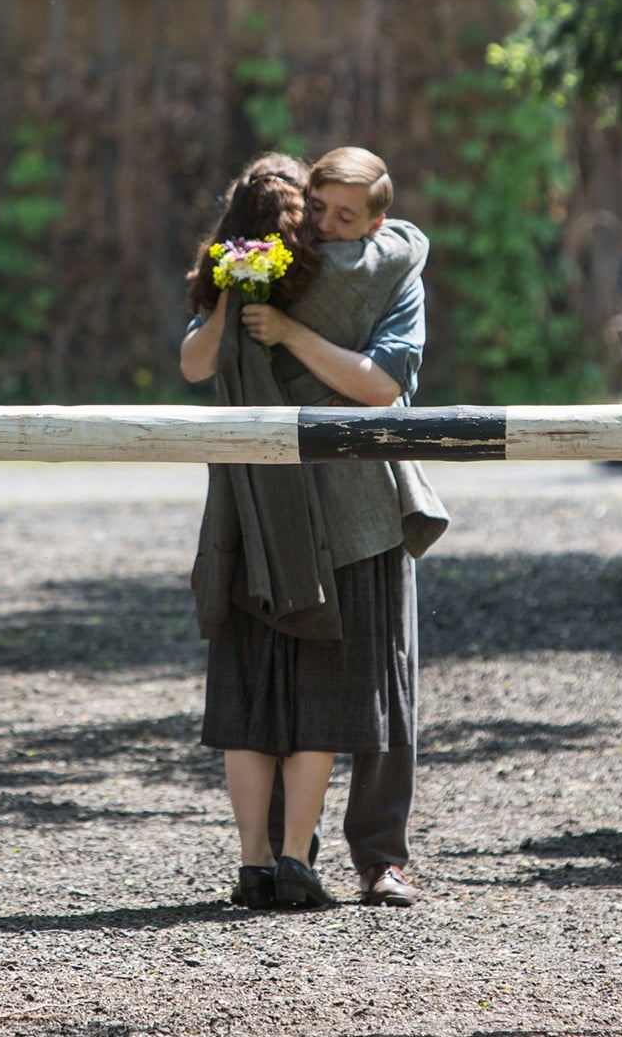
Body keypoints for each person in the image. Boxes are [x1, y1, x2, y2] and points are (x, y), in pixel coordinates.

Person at [181, 147, 447, 909]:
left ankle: (377, 858)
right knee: (297, 690)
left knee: (382, 689)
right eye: (318, 213)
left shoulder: (385, 269)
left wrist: (291, 333)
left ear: (376, 221)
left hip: (362, 503)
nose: (328, 230)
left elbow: (383, 385)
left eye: (345, 218)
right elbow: (200, 355)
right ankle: (277, 858)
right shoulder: (277, 265)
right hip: (277, 507)